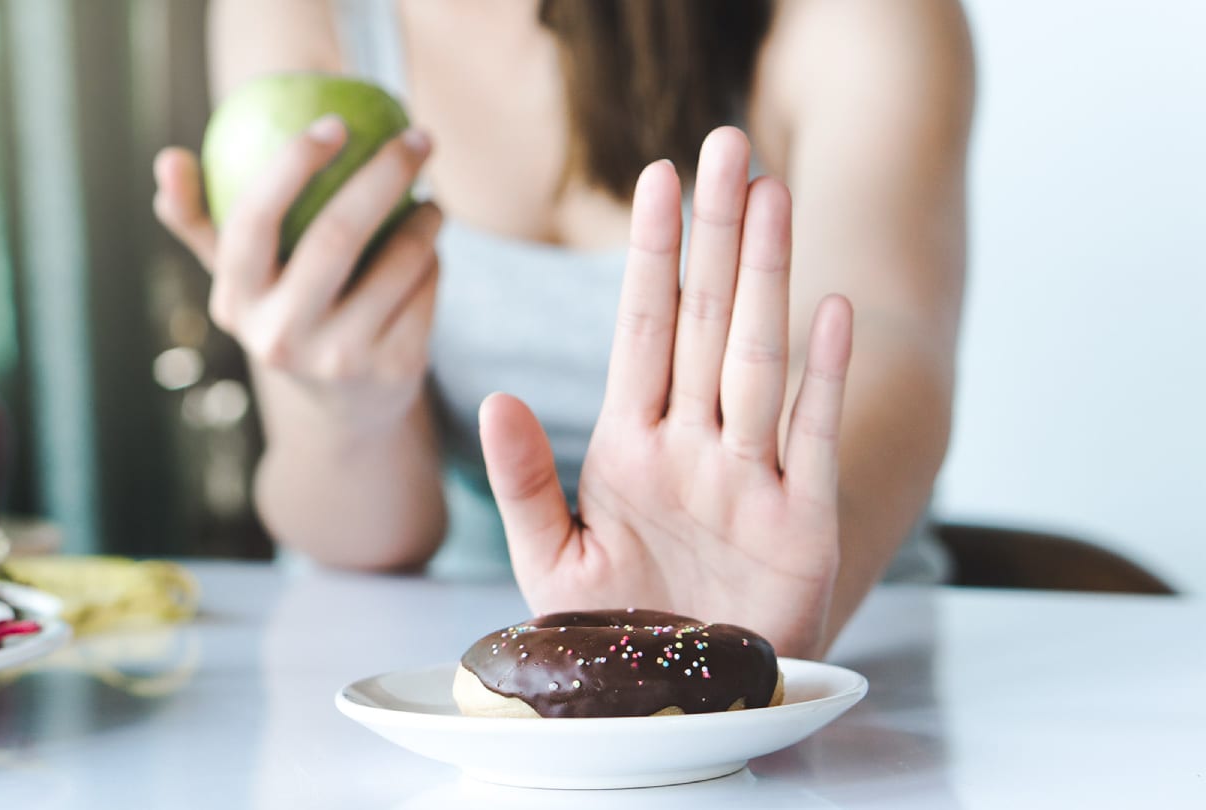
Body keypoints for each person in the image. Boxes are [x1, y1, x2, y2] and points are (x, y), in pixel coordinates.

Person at [153, 0, 974, 659]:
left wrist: (752, 613)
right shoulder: (303, 15)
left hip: (837, 653)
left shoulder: (853, 17)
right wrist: (342, 409)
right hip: (460, 677)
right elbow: (376, 543)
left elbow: (892, 342)